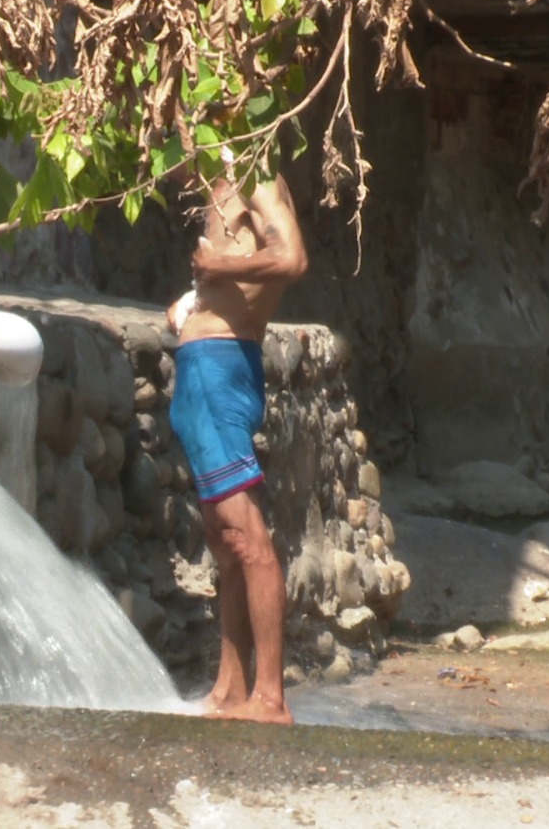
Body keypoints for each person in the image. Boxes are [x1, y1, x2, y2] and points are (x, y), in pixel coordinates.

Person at [166, 174, 307, 724]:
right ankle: (231, 687)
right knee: (225, 544)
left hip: (219, 372)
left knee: (248, 540)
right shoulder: (223, 175)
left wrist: (219, 270)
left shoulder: (257, 172)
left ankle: (270, 698)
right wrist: (191, 306)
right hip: (207, 370)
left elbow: (292, 259)